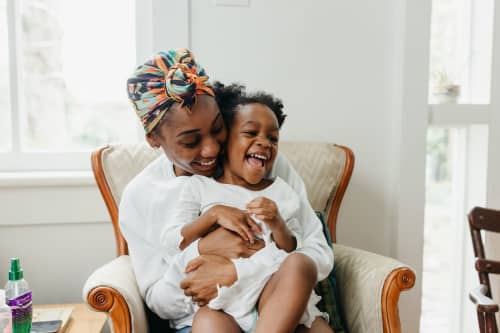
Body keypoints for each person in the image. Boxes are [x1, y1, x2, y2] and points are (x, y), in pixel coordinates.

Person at [122, 48, 333, 333]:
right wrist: (203, 248)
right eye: (190, 141)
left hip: (278, 307)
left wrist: (237, 272)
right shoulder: (141, 196)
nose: (211, 149)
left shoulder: (260, 164)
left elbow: (315, 253)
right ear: (153, 139)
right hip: (208, 315)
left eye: (217, 128)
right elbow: (159, 301)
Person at [162, 88, 330, 332]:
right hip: (223, 302)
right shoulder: (198, 188)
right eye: (251, 133)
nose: (264, 142)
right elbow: (172, 241)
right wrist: (212, 216)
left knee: (301, 264)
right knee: (207, 323)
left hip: (273, 297)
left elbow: (293, 246)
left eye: (273, 138)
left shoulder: (282, 191)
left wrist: (277, 224)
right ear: (225, 140)